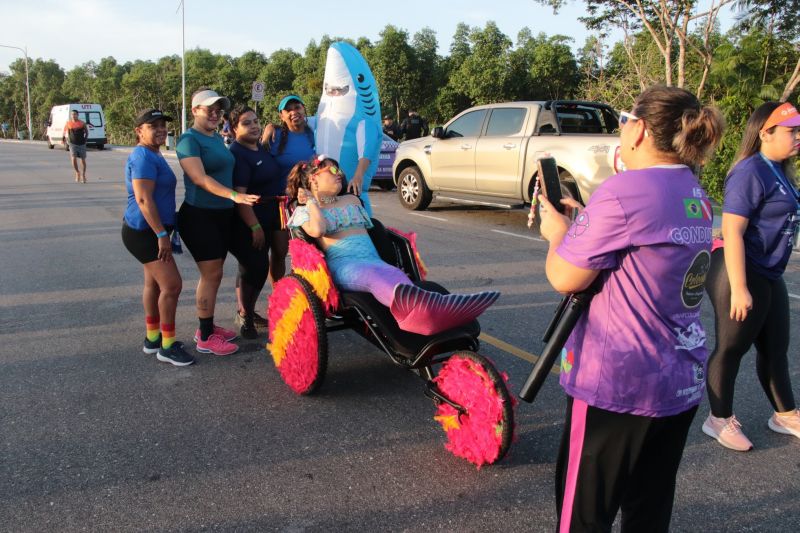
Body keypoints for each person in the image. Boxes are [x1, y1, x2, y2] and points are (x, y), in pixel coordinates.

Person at [537, 85, 724, 532]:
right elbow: (644, 254)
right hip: (677, 382)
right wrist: (585, 220)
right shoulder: (691, 189)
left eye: (624, 120)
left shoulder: (625, 191)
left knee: (582, 518)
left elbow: (564, 277)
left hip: (618, 385)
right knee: (648, 512)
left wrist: (557, 233)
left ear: (638, 128)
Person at [285, 155, 499, 335]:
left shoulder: (351, 200)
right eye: (331, 169)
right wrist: (312, 202)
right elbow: (319, 230)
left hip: (372, 260)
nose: (339, 172)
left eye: (338, 169)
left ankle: (429, 312)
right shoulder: (304, 212)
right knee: (374, 277)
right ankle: (420, 314)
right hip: (345, 265)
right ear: (313, 179)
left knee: (393, 275)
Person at [702, 101, 800, 452]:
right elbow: (732, 229)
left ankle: (784, 414)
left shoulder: (780, 170)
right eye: (791, 131)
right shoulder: (750, 171)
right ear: (765, 133)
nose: (797, 137)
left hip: (768, 272)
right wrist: (740, 287)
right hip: (736, 270)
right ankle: (718, 419)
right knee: (732, 347)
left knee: (775, 348)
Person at [176, 88, 260, 356]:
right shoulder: (188, 140)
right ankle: (204, 335)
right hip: (200, 216)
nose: (214, 113)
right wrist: (236, 196)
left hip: (226, 215)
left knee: (253, 261)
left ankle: (212, 325)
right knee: (211, 274)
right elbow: (200, 178)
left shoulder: (216, 139)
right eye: (208, 108)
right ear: (195, 110)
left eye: (218, 109)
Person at [121, 109, 193, 366]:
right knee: (172, 286)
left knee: (153, 285)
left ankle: (153, 338)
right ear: (139, 131)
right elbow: (143, 199)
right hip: (146, 232)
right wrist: (161, 234)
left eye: (163, 125)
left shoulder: (153, 153)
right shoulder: (142, 156)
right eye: (153, 126)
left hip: (146, 230)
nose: (161, 129)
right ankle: (168, 345)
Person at [228, 105, 282, 338]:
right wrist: (255, 226)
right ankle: (247, 317)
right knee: (256, 267)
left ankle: (245, 310)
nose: (254, 126)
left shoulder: (259, 147)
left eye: (256, 121)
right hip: (253, 217)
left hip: (273, 212)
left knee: (253, 266)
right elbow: (240, 197)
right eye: (246, 123)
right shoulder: (238, 153)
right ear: (233, 129)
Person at [63, 110, 89, 183]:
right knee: (73, 158)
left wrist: (85, 140)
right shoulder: (68, 123)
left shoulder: (82, 123)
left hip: (81, 143)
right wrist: (67, 140)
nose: (73, 116)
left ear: (78, 115)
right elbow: (66, 132)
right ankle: (77, 172)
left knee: (82, 160)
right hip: (72, 144)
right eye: (72, 114)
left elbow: (87, 132)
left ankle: (83, 175)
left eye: (75, 114)